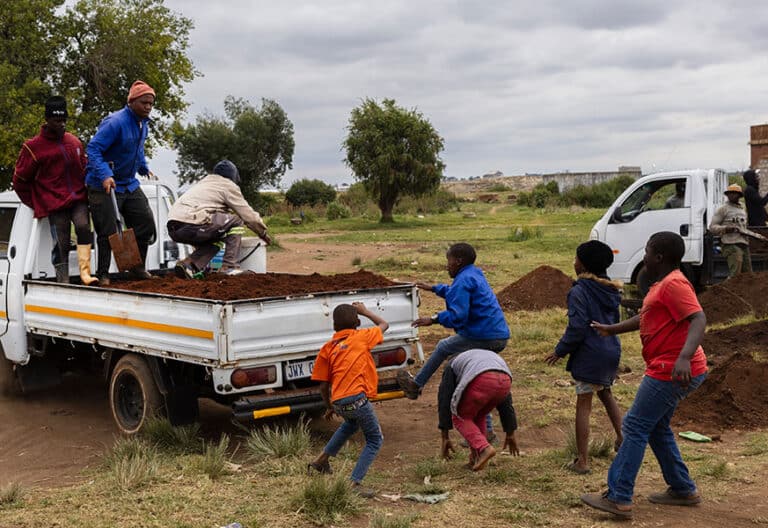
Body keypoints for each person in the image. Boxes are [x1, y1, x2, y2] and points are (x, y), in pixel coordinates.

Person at [581, 231, 707, 519]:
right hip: (669, 367)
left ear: (659, 257)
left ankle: (618, 496)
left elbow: (698, 317)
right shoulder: (662, 285)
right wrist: (611, 329)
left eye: (648, 251)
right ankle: (683, 488)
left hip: (670, 370)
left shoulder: (674, 284)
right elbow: (647, 317)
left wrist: (684, 357)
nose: (645, 256)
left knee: (635, 426)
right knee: (657, 428)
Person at [396, 242, 509, 441]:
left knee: (443, 346)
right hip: (496, 334)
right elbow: (455, 293)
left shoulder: (463, 281)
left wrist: (433, 319)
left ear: (458, 261)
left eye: (448, 261)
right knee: (469, 374)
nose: (446, 265)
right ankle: (488, 431)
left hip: (484, 335)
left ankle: (416, 385)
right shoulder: (473, 274)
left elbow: (458, 317)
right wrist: (433, 288)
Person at [545, 240, 623, 475]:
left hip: (590, 353)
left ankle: (582, 461)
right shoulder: (612, 289)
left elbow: (577, 327)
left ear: (584, 265)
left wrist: (560, 350)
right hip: (611, 350)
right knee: (606, 392)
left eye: (577, 258)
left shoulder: (579, 291)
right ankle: (623, 438)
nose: (573, 262)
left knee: (583, 404)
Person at [12, 96, 98, 285]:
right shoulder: (33, 147)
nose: (61, 125)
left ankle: (85, 273)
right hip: (54, 202)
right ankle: (63, 279)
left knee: (83, 227)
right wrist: (36, 202)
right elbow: (19, 180)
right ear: (47, 120)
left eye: (64, 120)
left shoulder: (74, 142)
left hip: (78, 198)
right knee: (61, 242)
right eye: (57, 121)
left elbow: (85, 168)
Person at [307, 302, 389, 498]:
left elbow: (323, 386)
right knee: (375, 439)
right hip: (357, 399)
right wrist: (365, 310)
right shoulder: (361, 337)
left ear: (334, 327)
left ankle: (320, 461)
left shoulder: (328, 347)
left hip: (339, 400)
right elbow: (384, 324)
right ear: (358, 322)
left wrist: (329, 406)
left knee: (351, 425)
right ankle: (354, 483)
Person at [85, 80, 158, 285]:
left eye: (151, 104)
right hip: (103, 184)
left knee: (145, 223)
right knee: (108, 231)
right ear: (132, 101)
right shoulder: (115, 122)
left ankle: (136, 267)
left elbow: (137, 149)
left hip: (128, 183)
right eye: (144, 102)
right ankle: (103, 274)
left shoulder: (143, 124)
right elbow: (93, 149)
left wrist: (143, 167)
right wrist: (105, 175)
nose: (148, 107)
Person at [167, 160, 272, 278]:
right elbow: (248, 216)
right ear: (233, 177)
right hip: (193, 223)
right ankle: (229, 266)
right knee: (237, 220)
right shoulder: (227, 185)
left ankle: (189, 265)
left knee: (219, 237)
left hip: (174, 228)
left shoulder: (204, 184)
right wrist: (263, 233)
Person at [437, 349, 519, 471]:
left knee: (460, 417)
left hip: (482, 379)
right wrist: (510, 432)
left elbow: (445, 399)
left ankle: (484, 448)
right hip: (506, 380)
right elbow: (506, 403)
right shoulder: (481, 357)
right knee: (479, 415)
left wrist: (445, 437)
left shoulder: (452, 365)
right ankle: (476, 457)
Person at [709, 184, 752, 277]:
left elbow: (745, 225)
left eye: (735, 193)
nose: (732, 195)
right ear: (727, 195)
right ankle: (727, 290)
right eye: (730, 193)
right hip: (730, 243)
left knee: (748, 274)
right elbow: (712, 227)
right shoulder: (723, 209)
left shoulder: (743, 208)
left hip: (743, 242)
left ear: (739, 195)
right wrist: (725, 229)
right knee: (736, 273)